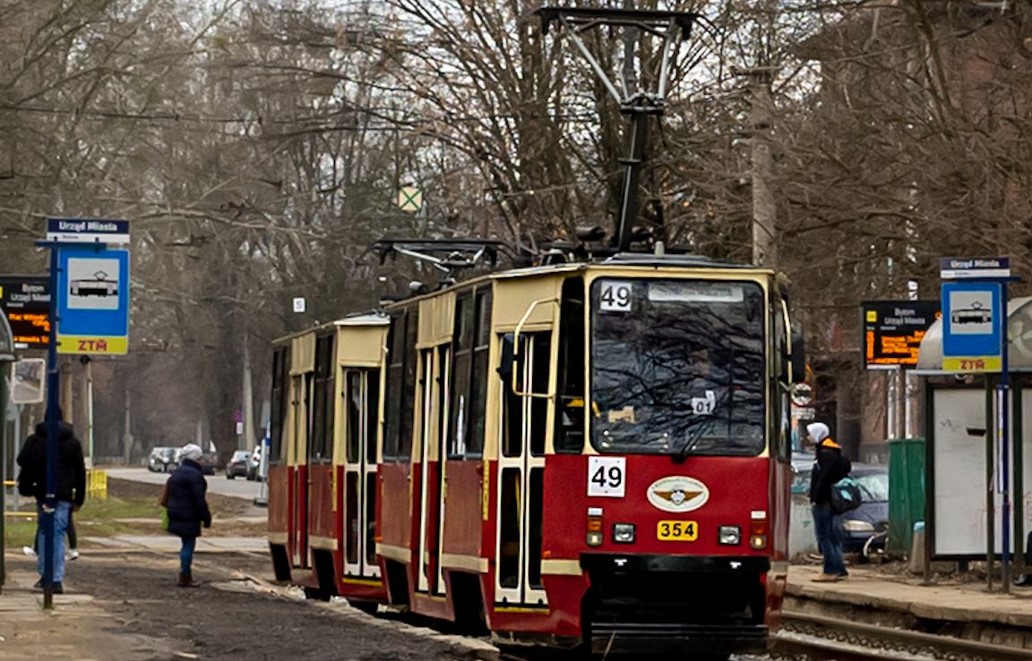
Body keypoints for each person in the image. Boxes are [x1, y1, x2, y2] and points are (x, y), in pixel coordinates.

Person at [15, 409, 87, 594]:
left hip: (43, 493)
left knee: (45, 532)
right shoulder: (72, 441)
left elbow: (23, 461)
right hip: (63, 495)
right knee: (58, 533)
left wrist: (26, 487)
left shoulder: (36, 440)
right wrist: (79, 498)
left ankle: (46, 574)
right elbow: (80, 472)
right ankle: (56, 578)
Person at [807, 421, 851, 582]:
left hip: (824, 502)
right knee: (833, 536)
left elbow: (823, 480)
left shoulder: (825, 454)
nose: (808, 437)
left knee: (824, 537)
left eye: (810, 433)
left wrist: (815, 498)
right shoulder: (833, 452)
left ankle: (830, 570)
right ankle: (839, 569)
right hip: (832, 502)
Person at [165, 443, 212, 587]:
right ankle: (185, 575)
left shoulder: (177, 473)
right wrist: (206, 517)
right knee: (188, 544)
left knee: (185, 544)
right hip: (189, 514)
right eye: (200, 458)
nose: (202, 461)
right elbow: (199, 499)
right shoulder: (195, 475)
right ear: (195, 459)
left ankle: (185, 574)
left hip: (174, 511)